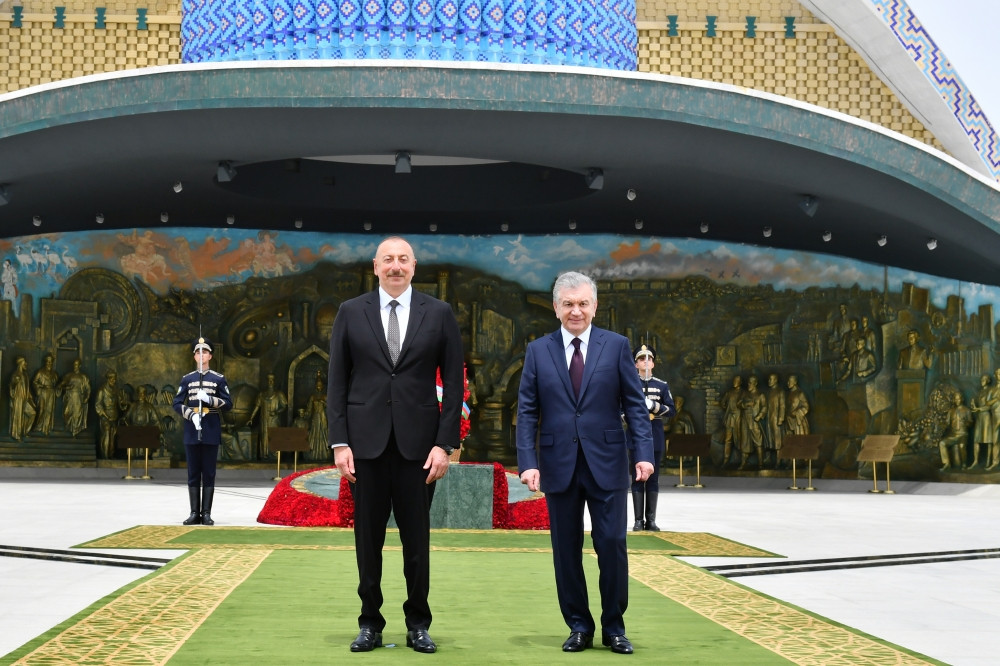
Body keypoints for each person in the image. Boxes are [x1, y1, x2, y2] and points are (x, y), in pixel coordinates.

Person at [327, 236, 463, 654]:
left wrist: (444, 444)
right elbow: (336, 381)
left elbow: (454, 384)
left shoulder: (438, 313)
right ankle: (370, 622)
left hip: (419, 450)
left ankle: (418, 623)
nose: (396, 266)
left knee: (416, 542)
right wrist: (340, 442)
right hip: (364, 447)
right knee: (367, 542)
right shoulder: (351, 312)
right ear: (375, 266)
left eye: (403, 259)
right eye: (388, 259)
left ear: (414, 266)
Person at [516, 271, 654, 655]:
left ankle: (614, 627)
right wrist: (527, 461)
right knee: (566, 549)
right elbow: (527, 411)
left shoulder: (617, 346)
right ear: (555, 307)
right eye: (568, 304)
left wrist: (644, 453)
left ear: (594, 306)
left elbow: (635, 406)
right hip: (558, 464)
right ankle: (579, 626)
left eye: (582, 303)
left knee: (611, 544)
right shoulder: (538, 351)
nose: (575, 311)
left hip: (607, 462)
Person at [172, 338, 233, 526]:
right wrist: (191, 415)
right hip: (192, 429)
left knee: (208, 473)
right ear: (194, 357)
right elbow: (177, 403)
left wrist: (209, 399)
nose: (201, 355)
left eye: (204, 352)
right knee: (193, 473)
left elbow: (228, 404)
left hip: (210, 429)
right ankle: (194, 513)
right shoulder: (187, 379)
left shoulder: (218, 379)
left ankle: (206, 513)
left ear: (210, 356)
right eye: (198, 352)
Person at [629, 345, 675, 531]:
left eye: (649, 359)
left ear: (653, 363)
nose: (646, 362)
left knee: (653, 478)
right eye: (641, 359)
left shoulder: (661, 385)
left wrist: (654, 406)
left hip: (655, 434)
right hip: (634, 434)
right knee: (637, 477)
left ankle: (651, 519)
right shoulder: (630, 384)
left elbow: (671, 410)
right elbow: (620, 410)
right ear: (636, 364)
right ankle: (638, 520)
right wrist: (637, 414)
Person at [247, 372, 287, 459]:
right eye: (269, 380)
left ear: (274, 381)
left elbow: (284, 406)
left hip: (274, 420)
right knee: (264, 436)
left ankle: (275, 456)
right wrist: (251, 418)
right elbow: (257, 407)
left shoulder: (279, 394)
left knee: (274, 436)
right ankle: (264, 455)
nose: (271, 382)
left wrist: (276, 412)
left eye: (272, 380)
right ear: (267, 382)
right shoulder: (262, 394)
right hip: (264, 419)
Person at [57, 358, 91, 437]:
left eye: (77, 364)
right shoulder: (69, 375)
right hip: (69, 397)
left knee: (77, 414)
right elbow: (60, 385)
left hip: (78, 398)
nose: (75, 366)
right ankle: (68, 427)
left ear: (80, 365)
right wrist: (66, 387)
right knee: (66, 412)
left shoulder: (83, 377)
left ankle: (75, 430)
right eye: (74, 364)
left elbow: (88, 388)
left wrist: (87, 397)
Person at [938, 393, 972, 471]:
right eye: (955, 399)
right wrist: (941, 425)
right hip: (953, 435)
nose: (957, 401)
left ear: (962, 399)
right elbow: (947, 423)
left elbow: (970, 423)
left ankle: (964, 464)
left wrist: (966, 422)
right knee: (942, 443)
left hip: (963, 434)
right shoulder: (951, 411)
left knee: (962, 446)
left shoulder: (967, 410)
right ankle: (947, 463)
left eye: (958, 399)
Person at [719, 375, 744, 468]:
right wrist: (727, 409)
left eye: (737, 380)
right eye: (734, 380)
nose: (734, 382)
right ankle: (726, 460)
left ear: (740, 382)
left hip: (739, 418)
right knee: (728, 439)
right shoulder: (729, 393)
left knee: (740, 439)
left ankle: (743, 460)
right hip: (730, 418)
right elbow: (722, 402)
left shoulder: (743, 393)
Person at [8, 356, 36, 441]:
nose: (26, 364)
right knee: (18, 416)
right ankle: (17, 435)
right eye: (24, 362)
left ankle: (24, 431)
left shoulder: (25, 375)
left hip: (25, 398)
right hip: (18, 398)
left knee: (32, 413)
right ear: (20, 363)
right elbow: (11, 386)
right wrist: (14, 382)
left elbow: (27, 388)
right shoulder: (15, 374)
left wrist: (30, 397)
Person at [94, 370, 120, 458]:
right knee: (106, 435)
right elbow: (98, 405)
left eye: (115, 379)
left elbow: (119, 404)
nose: (114, 381)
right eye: (112, 379)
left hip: (114, 416)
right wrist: (105, 415)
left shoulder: (116, 390)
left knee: (113, 437)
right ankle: (105, 456)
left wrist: (124, 403)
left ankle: (111, 455)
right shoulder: (102, 390)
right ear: (108, 379)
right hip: (105, 417)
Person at [31, 353, 59, 435]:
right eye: (48, 361)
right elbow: (34, 382)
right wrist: (39, 389)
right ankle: (38, 427)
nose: (49, 363)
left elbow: (56, 385)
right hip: (42, 393)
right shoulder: (40, 372)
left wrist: (58, 388)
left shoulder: (54, 374)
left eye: (51, 362)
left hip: (51, 393)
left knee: (49, 410)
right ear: (45, 362)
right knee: (41, 410)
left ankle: (47, 428)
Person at [305, 371, 329, 462]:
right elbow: (309, 409)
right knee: (314, 433)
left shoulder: (325, 396)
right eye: (317, 385)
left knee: (323, 433)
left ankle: (324, 453)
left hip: (323, 417)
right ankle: (313, 454)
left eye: (320, 385)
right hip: (315, 417)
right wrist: (305, 415)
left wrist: (324, 403)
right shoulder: (312, 397)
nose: (319, 387)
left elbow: (331, 407)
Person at [765, 373, 786, 468]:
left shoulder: (780, 391)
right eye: (769, 379)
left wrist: (781, 418)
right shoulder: (769, 392)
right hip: (769, 419)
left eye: (771, 379)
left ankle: (779, 461)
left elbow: (782, 406)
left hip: (776, 419)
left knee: (778, 440)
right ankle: (768, 458)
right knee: (769, 439)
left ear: (776, 380)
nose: (769, 381)